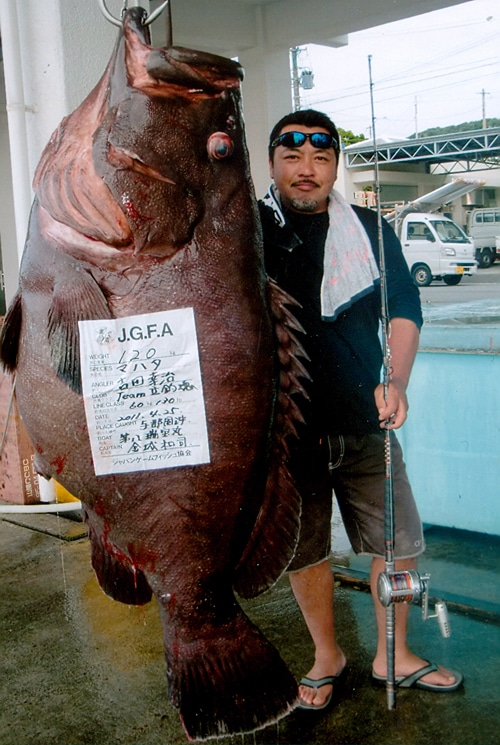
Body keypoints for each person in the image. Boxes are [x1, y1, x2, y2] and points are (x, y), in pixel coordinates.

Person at [259, 109, 463, 710]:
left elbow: (404, 307)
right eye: (293, 157)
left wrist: (396, 381)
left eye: (321, 159)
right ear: (272, 163)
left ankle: (393, 653)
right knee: (306, 550)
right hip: (285, 430)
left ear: (334, 169)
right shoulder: (244, 231)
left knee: (397, 543)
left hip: (365, 421)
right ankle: (328, 655)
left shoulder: (371, 228)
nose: (307, 170)